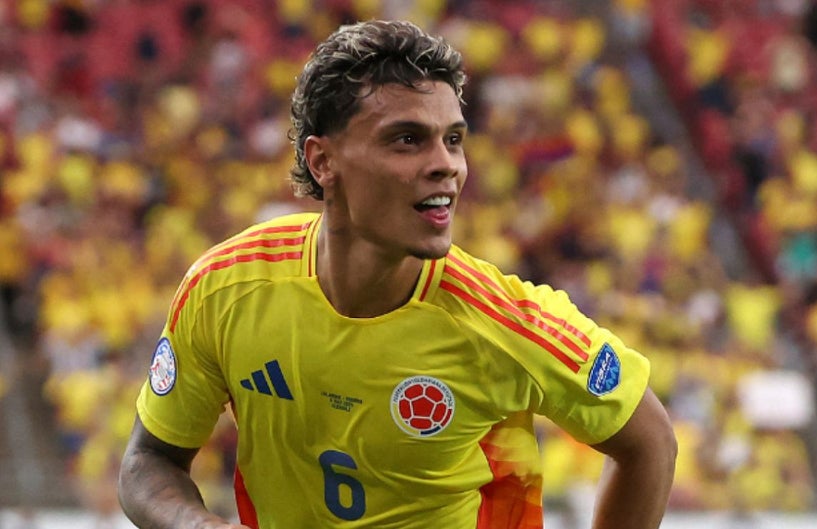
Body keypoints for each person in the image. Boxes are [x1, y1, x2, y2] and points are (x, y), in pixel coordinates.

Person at [117, 19, 677, 529]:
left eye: (453, 139)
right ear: (323, 161)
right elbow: (149, 459)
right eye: (408, 139)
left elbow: (650, 442)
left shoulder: (505, 322)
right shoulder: (226, 288)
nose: (446, 165)